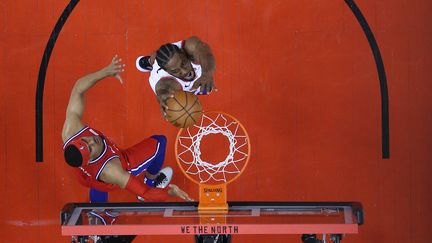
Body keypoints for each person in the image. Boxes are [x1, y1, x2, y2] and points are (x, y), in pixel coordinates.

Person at [62, 55, 193, 203]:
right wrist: (171, 192)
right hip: (108, 174)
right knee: (160, 143)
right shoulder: (111, 170)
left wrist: (105, 72)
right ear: (90, 158)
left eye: (86, 140)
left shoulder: (71, 131)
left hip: (84, 176)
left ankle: (97, 213)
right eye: (91, 148)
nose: (93, 140)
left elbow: (78, 88)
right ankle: (151, 180)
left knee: (95, 184)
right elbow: (146, 194)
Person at [135, 36, 216, 118]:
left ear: (183, 52)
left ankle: (152, 59)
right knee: (179, 99)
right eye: (176, 71)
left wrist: (207, 73)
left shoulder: (190, 47)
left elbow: (206, 53)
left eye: (183, 63)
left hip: (177, 57)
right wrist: (164, 99)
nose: (184, 71)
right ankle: (150, 63)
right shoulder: (165, 81)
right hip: (168, 80)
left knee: (207, 86)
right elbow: (163, 90)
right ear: (167, 71)